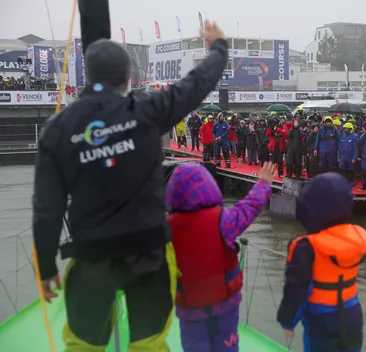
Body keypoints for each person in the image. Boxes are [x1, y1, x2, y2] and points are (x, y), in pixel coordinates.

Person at [32, 16, 228, 351]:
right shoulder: (149, 109)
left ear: (90, 75)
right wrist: (218, 48)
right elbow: (196, 85)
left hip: (91, 255)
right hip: (148, 251)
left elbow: (47, 209)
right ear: (127, 78)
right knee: (149, 343)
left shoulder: (56, 131)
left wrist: (47, 267)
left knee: (83, 345)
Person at [166, 162, 276, 352]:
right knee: (226, 345)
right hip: (225, 304)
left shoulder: (167, 229)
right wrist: (264, 184)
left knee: (194, 347)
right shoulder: (222, 220)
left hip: (190, 308)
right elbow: (248, 208)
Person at [277, 172, 366, 352]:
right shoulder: (355, 239)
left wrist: (287, 321)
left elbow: (296, 290)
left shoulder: (306, 248)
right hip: (352, 314)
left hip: (321, 320)